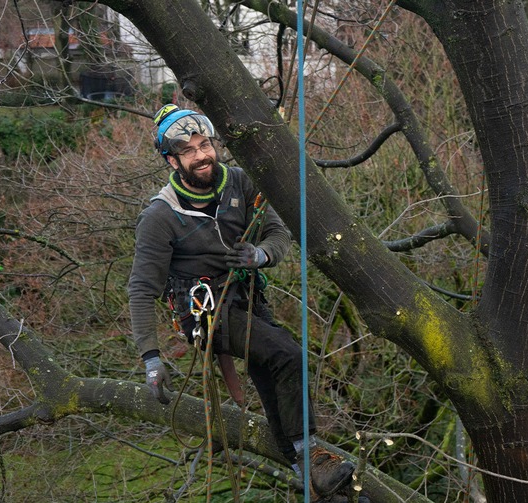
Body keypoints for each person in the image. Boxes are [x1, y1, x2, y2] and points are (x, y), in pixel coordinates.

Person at [128, 105, 357, 501]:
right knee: (289, 355)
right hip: (203, 313)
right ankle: (313, 456)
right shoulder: (161, 215)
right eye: (188, 151)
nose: (202, 155)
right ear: (171, 160)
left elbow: (277, 231)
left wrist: (261, 255)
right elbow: (140, 288)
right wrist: (151, 359)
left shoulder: (238, 183)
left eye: (205, 144)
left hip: (248, 298)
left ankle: (309, 473)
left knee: (272, 373)